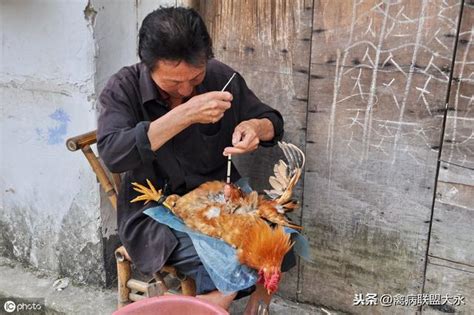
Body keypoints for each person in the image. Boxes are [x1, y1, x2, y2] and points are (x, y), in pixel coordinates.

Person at [97, 6, 294, 313]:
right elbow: (113, 154)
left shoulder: (219, 76)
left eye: (196, 76)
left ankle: (249, 301)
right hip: (155, 210)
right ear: (148, 66)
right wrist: (184, 115)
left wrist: (255, 128)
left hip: (219, 198)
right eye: (173, 83)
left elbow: (271, 120)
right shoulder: (123, 88)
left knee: (281, 233)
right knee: (229, 255)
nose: (187, 89)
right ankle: (210, 304)